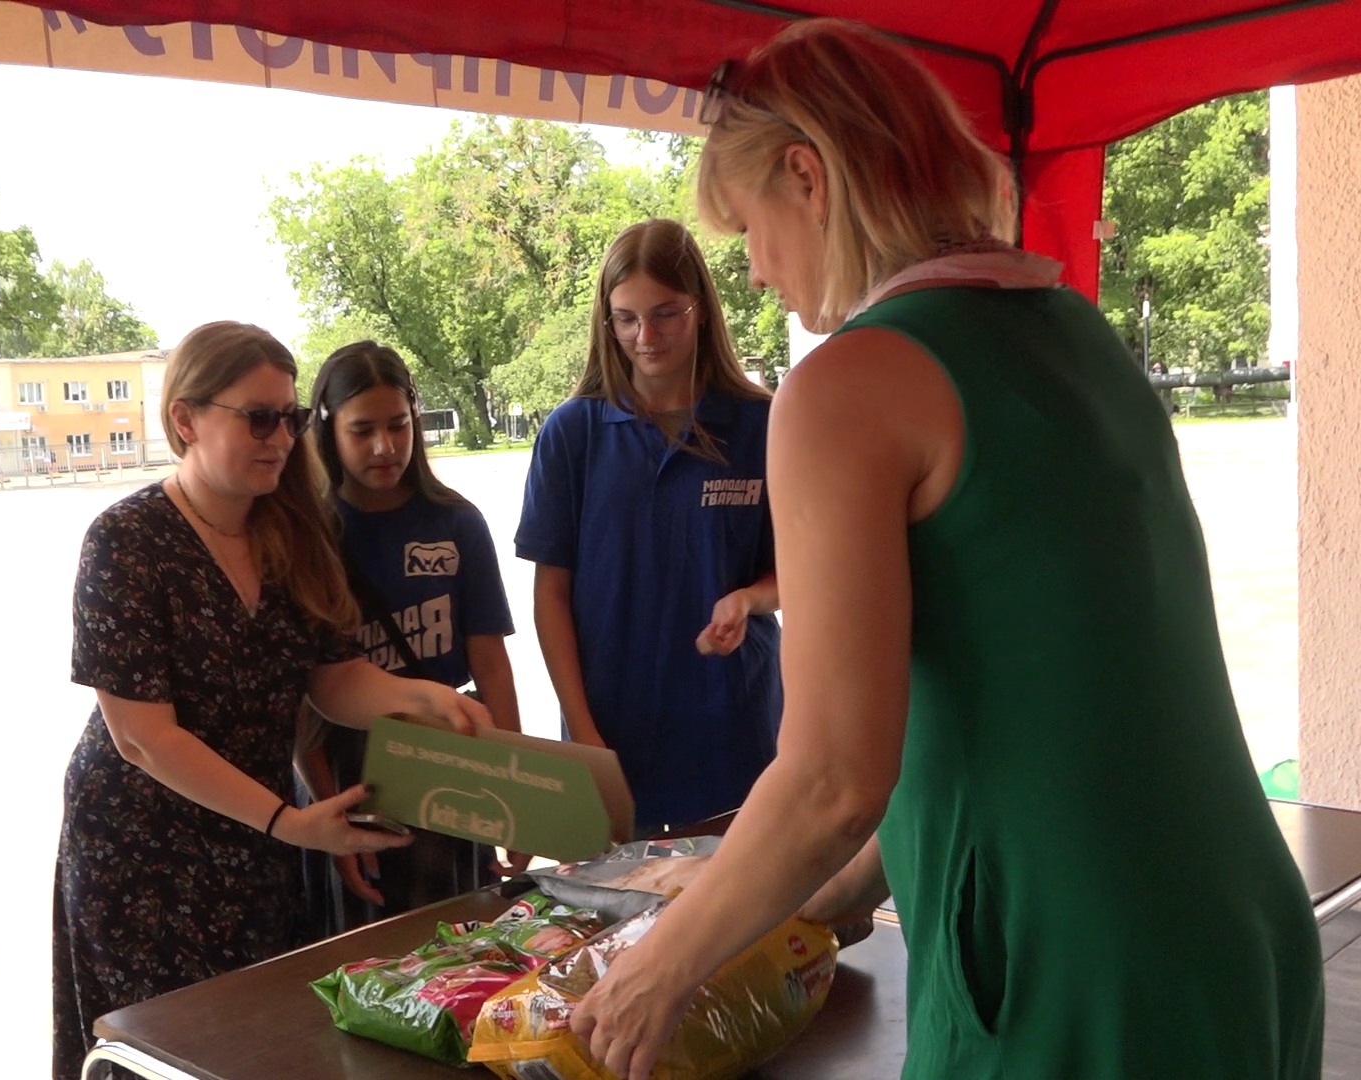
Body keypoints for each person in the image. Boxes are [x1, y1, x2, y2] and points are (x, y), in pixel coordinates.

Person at [569, 21, 1323, 1080]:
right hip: (1240, 939)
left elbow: (833, 777)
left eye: (748, 228)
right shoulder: (1077, 331)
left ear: (807, 177)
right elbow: (998, 718)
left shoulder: (846, 384)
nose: (757, 269)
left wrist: (658, 966)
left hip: (1068, 969)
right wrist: (806, 898)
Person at [53, 321, 492, 1079]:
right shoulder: (126, 540)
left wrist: (421, 699)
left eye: (290, 418)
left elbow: (333, 678)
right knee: (160, 1055)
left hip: (259, 842)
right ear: (185, 419)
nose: (283, 438)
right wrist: (287, 822)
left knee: (255, 1047)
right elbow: (142, 736)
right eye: (259, 419)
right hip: (144, 850)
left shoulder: (292, 530)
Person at [514, 217, 782, 832]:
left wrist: (749, 599)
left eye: (665, 314)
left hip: (732, 732)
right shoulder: (572, 433)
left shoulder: (762, 426)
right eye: (626, 319)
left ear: (702, 309)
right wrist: (582, 733)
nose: (645, 336)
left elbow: (796, 570)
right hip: (611, 732)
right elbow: (550, 596)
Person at [299, 340, 524, 937]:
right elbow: (303, 703)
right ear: (328, 430)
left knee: (461, 942)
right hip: (351, 771)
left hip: (449, 755)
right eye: (363, 430)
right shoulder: (311, 537)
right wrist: (326, 812)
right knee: (366, 951)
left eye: (399, 425)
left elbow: (491, 664)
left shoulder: (456, 522)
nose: (385, 446)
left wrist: (518, 797)